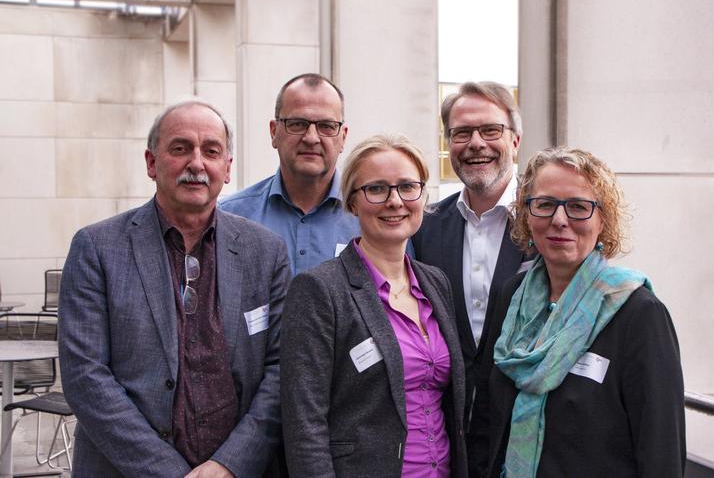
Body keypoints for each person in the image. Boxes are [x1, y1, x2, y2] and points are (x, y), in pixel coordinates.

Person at [59, 100, 290, 477]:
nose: (196, 163)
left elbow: (280, 370)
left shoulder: (264, 252)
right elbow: (86, 377)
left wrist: (229, 464)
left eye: (211, 151)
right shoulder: (97, 248)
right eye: (180, 148)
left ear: (227, 168)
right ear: (151, 163)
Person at [470, 147, 685, 477]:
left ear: (603, 220)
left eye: (578, 207)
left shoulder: (639, 314)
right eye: (544, 204)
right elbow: (486, 414)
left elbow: (660, 451)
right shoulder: (511, 296)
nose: (559, 220)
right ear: (527, 215)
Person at [281, 134, 468, 477]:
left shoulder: (435, 283)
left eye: (407, 187)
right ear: (352, 202)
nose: (395, 201)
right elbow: (304, 425)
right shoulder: (320, 290)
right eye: (377, 189)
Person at [412, 81, 532, 424]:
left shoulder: (548, 221)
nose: (476, 143)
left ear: (515, 140)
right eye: (461, 133)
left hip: (525, 426)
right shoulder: (425, 226)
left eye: (490, 130)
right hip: (449, 429)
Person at [220, 73, 359, 275]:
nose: (311, 138)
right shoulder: (229, 216)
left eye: (326, 126)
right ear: (274, 132)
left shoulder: (371, 217)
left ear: (343, 137)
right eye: (297, 124)